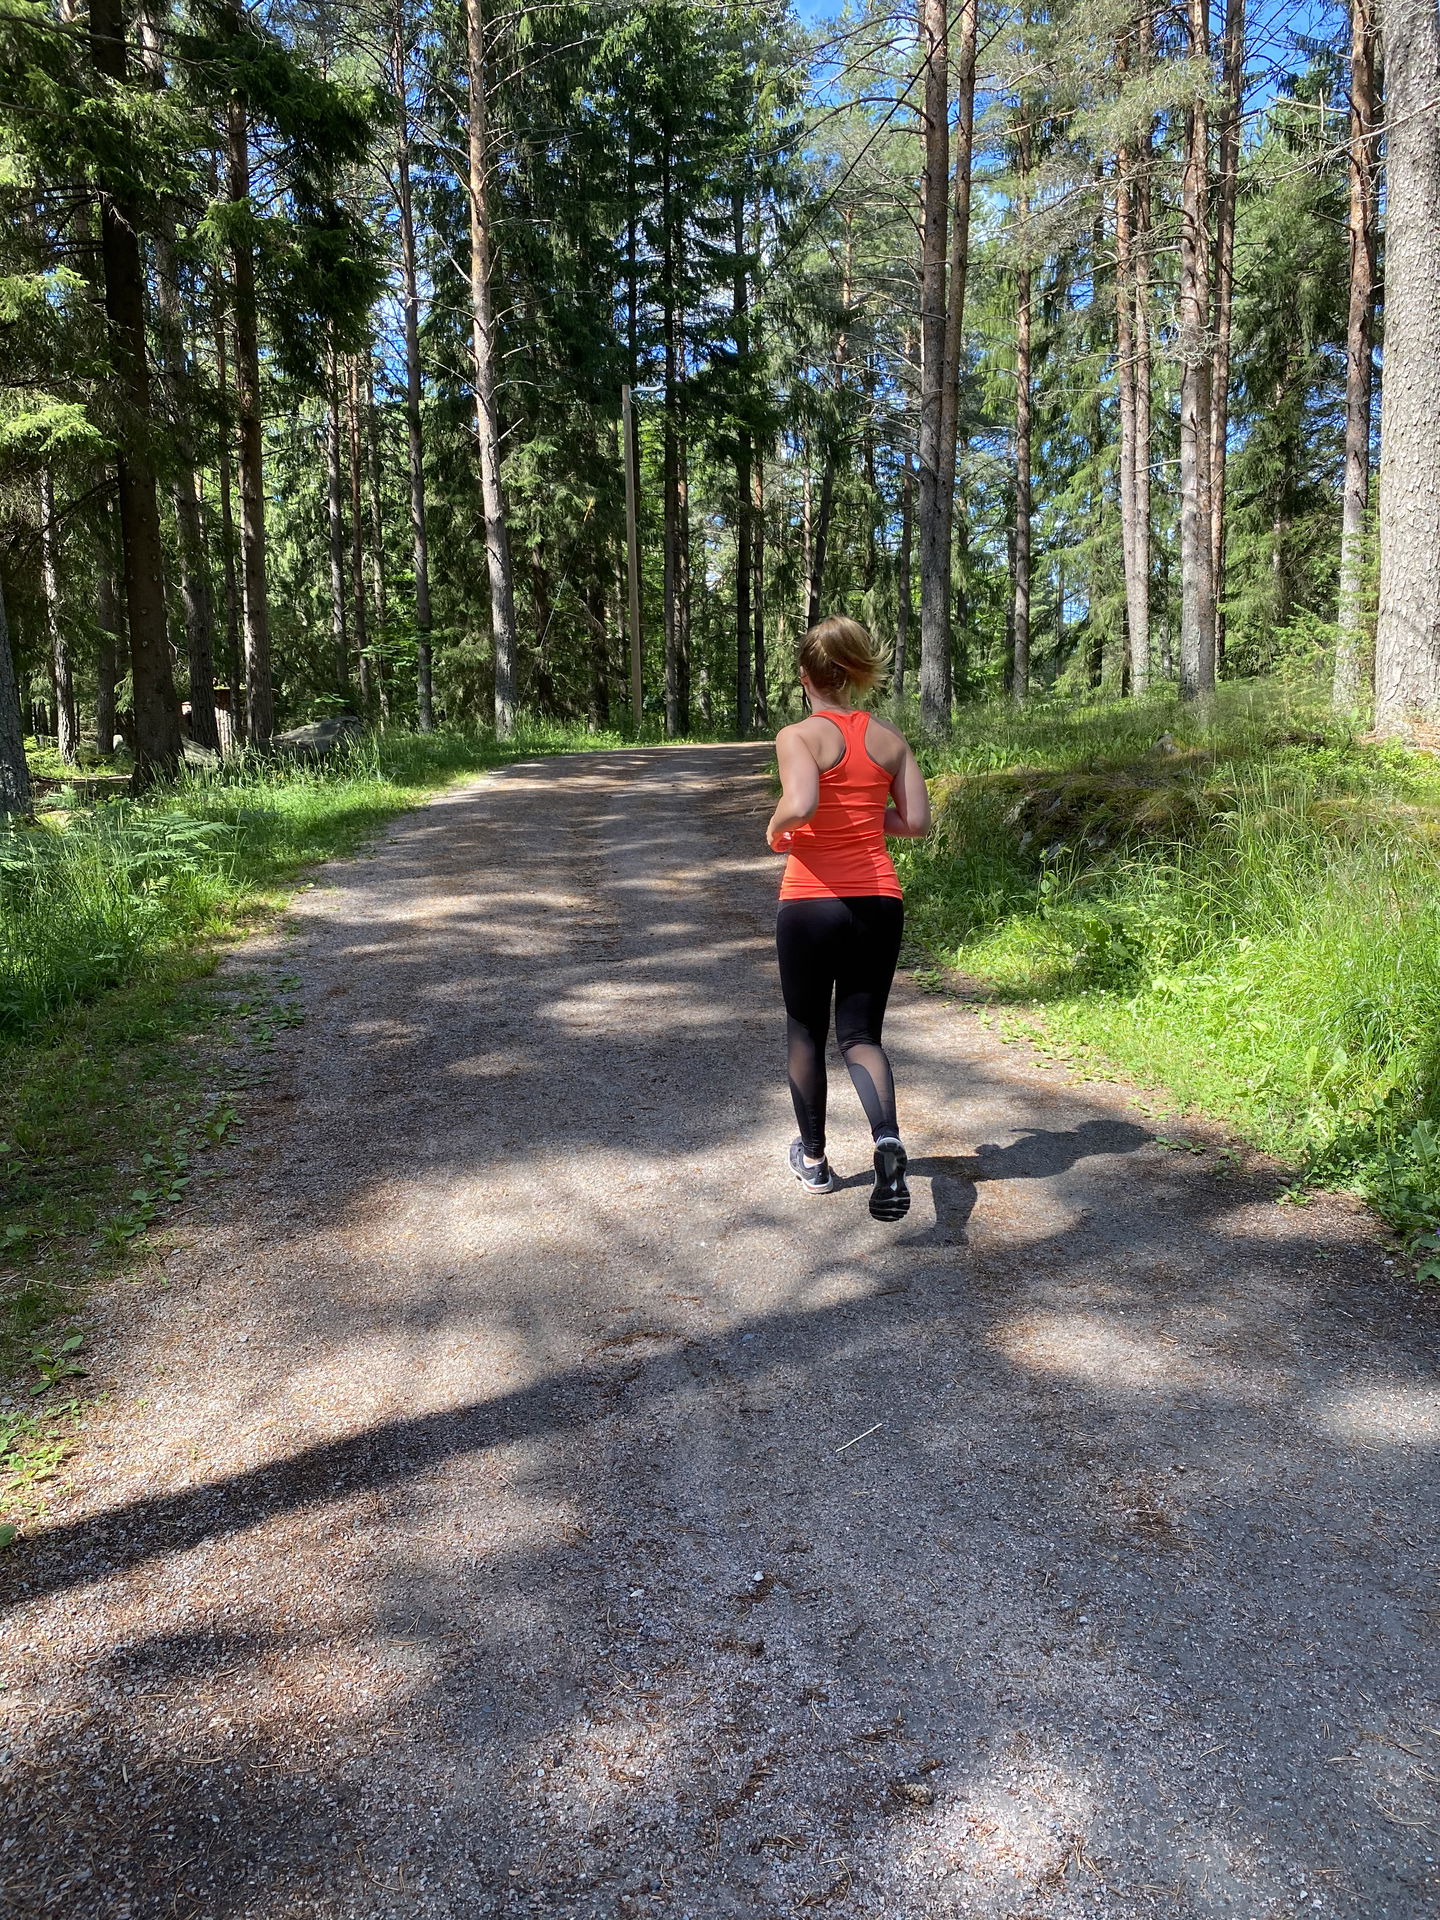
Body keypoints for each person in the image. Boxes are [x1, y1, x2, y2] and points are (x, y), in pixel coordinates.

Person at [765, 615, 932, 1221]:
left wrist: (777, 826)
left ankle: (813, 1160)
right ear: (852, 674)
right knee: (861, 1036)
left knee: (805, 1029)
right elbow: (915, 822)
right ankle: (886, 1139)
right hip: (878, 901)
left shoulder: (798, 736)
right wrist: (863, 819)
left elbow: (803, 801)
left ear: (806, 676)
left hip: (811, 901)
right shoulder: (889, 739)